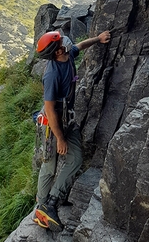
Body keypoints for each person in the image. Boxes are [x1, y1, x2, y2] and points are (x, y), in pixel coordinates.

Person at [33, 29, 110, 232]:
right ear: (57, 51)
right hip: (52, 124)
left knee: (75, 159)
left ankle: (52, 200)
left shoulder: (67, 55)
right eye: (60, 40)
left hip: (67, 119)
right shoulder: (51, 75)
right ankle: (42, 208)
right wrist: (59, 138)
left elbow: (81, 46)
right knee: (50, 166)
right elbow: (49, 109)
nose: (65, 39)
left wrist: (99, 39)